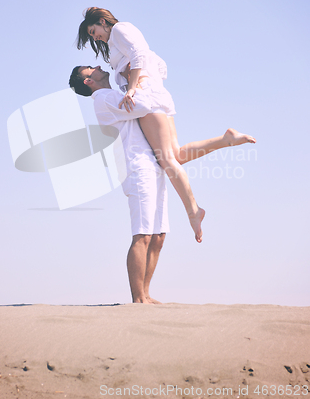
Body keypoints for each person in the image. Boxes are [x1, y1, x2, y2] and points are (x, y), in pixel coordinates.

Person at [69, 64, 256, 303]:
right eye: (91, 69)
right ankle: (138, 298)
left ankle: (146, 294)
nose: (97, 67)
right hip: (137, 168)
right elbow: (145, 105)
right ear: (88, 81)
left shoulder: (113, 94)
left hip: (152, 163)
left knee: (158, 236)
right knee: (143, 235)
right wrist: (140, 80)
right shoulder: (104, 98)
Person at [76, 8, 256, 244]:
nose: (95, 37)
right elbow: (157, 63)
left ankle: (193, 211)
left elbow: (140, 53)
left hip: (145, 94)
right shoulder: (116, 42)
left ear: (102, 22)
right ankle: (226, 139)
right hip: (153, 92)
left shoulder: (120, 29)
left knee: (167, 159)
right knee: (175, 155)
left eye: (94, 31)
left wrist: (134, 86)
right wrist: (146, 80)